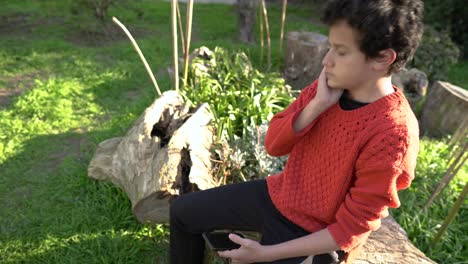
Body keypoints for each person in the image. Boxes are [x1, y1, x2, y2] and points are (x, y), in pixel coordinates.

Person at [169, 0, 424, 263]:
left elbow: (350, 229)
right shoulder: (327, 86)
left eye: (341, 52)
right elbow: (273, 144)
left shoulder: (393, 134)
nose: (327, 60)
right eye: (330, 47)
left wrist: (264, 254)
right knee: (182, 211)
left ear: (382, 58)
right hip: (280, 197)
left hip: (320, 237)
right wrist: (317, 106)